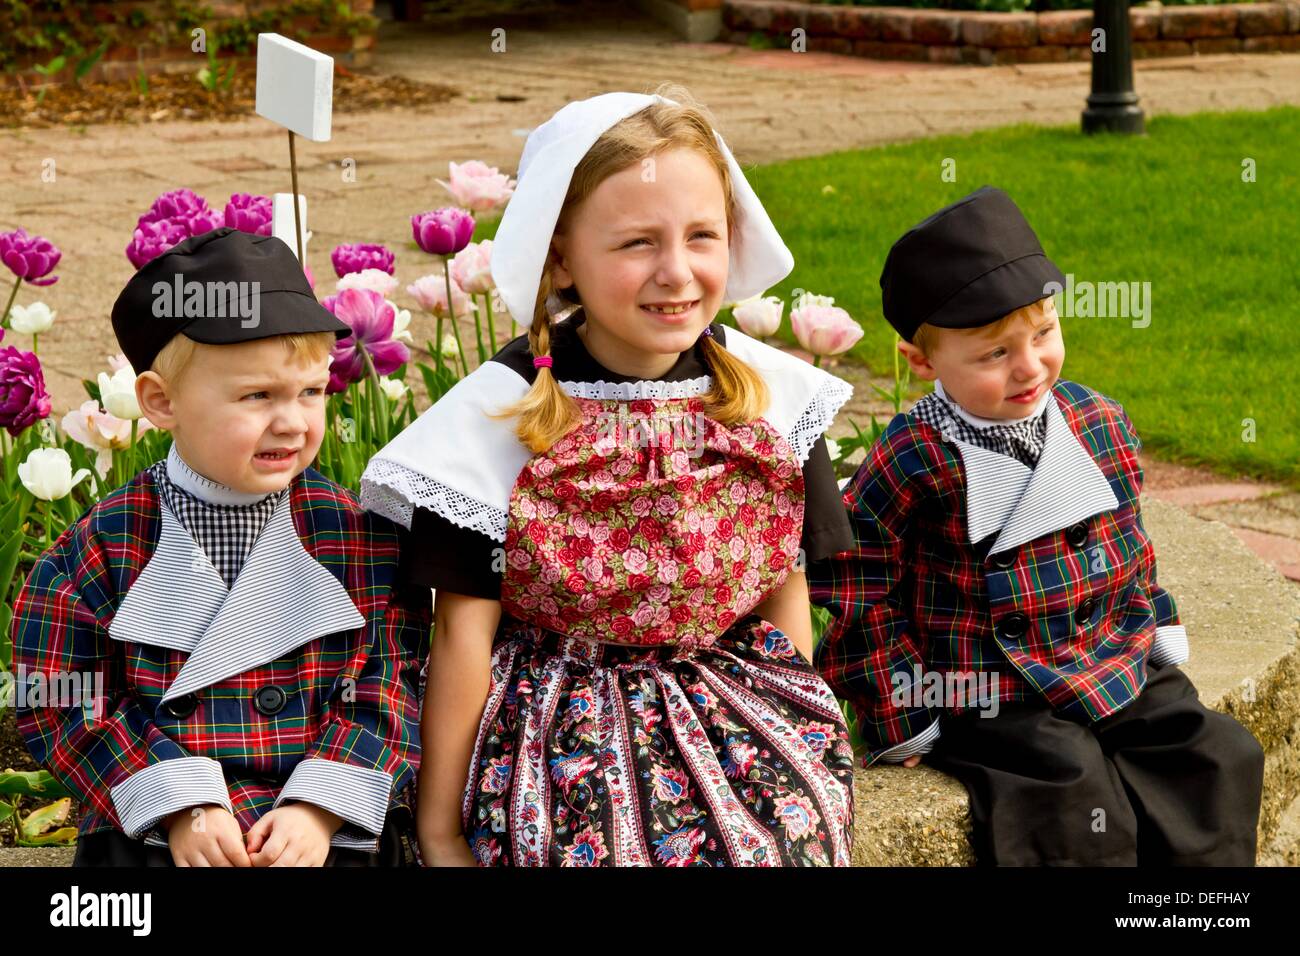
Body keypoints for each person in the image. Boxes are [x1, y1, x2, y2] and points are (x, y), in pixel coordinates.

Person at [361, 85, 857, 867]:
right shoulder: (500, 416)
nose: (678, 272)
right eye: (636, 244)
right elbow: (463, 634)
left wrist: (793, 732)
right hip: (558, 722)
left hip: (732, 707)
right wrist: (440, 830)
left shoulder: (771, 397)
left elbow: (781, 589)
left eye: (703, 236)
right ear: (561, 255)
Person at [808, 185, 1265, 865]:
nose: (1029, 367)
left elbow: (1129, 547)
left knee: (1216, 753)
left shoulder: (1096, 420)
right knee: (1068, 787)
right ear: (922, 363)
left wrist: (1155, 626)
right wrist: (902, 713)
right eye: (994, 354)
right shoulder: (912, 456)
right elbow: (856, 588)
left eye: (1044, 333)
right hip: (986, 683)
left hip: (1106, 651)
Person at [12, 227, 430, 866]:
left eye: (311, 391)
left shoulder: (358, 537)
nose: (292, 422)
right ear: (160, 401)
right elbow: (60, 698)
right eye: (257, 395)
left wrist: (323, 802)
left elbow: (396, 675)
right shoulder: (98, 550)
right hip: (157, 834)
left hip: (329, 834)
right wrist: (177, 800)